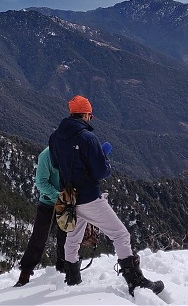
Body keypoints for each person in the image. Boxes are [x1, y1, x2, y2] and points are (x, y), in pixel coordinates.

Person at [48, 95, 163, 296]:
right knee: (120, 234)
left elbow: (56, 164)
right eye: (90, 116)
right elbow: (101, 171)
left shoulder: (55, 136)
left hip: (69, 198)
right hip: (90, 198)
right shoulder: (88, 138)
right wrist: (105, 159)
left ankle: (72, 278)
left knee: (72, 238)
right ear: (85, 114)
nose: (90, 119)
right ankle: (135, 281)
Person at [14, 146, 67, 287]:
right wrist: (59, 197)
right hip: (49, 202)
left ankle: (64, 267)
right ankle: (25, 272)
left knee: (65, 237)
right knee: (39, 237)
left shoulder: (74, 150)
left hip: (66, 201)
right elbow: (41, 182)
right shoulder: (47, 155)